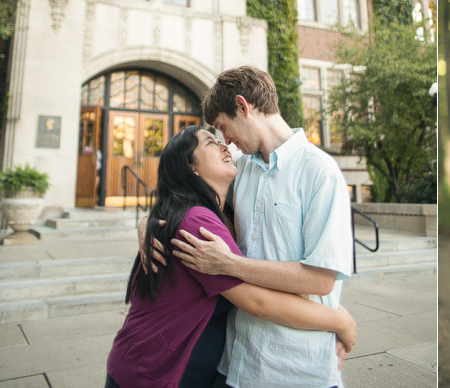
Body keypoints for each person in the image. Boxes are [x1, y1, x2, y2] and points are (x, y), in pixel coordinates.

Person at [107, 126, 356, 388]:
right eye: (211, 143)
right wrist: (340, 320)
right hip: (149, 372)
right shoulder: (197, 223)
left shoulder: (215, 214)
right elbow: (257, 302)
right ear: (191, 167)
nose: (225, 145)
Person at [153, 66, 353, 388]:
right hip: (234, 365)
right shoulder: (240, 169)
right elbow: (185, 197)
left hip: (297, 369)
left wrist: (230, 264)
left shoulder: (319, 172)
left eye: (223, 127)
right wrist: (148, 226)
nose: (226, 140)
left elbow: (320, 279)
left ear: (243, 108)